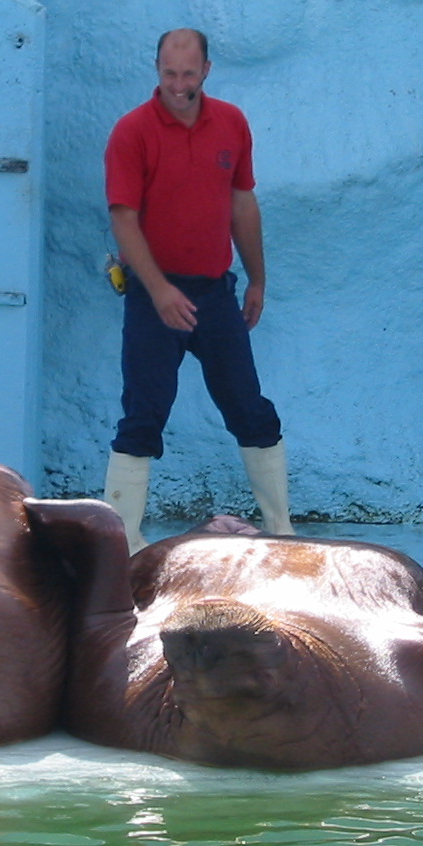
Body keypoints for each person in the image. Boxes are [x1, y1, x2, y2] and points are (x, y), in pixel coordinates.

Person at [101, 28, 292, 552]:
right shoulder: (132, 132)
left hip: (215, 293)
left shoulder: (230, 123)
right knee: (144, 411)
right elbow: (124, 218)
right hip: (152, 296)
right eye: (168, 74)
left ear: (206, 69)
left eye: (188, 74)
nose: (178, 85)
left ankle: (281, 528)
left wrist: (256, 278)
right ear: (156, 69)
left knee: (249, 406)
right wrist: (159, 290)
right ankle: (124, 542)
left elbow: (242, 202)